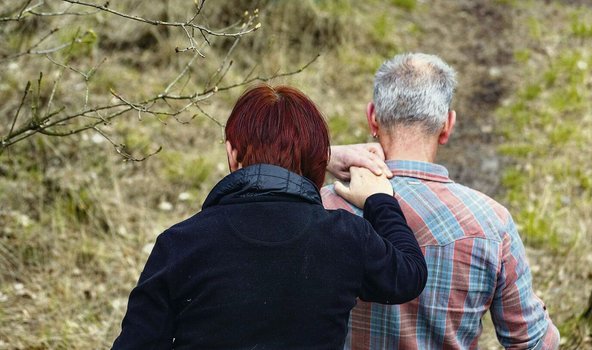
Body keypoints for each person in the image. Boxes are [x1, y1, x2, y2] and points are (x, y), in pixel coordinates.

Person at [111, 84, 427, 349]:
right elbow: (410, 275)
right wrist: (379, 199)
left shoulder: (181, 243)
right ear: (318, 161)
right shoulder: (345, 237)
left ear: (232, 153)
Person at [322, 53, 560, 349]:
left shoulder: (322, 208)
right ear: (447, 125)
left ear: (372, 117)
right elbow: (535, 343)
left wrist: (323, 155)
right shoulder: (492, 223)